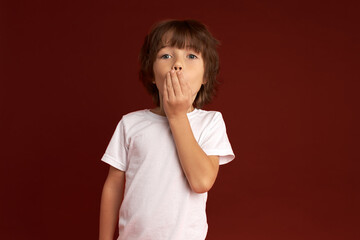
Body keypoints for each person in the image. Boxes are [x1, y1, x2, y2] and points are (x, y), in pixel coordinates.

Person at [99, 19, 235, 240]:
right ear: (152, 74)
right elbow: (113, 186)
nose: (177, 64)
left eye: (191, 56)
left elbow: (201, 182)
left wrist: (177, 115)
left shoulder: (211, 122)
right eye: (166, 55)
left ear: (205, 77)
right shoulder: (130, 124)